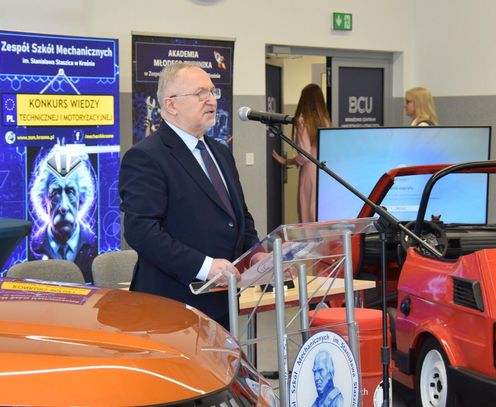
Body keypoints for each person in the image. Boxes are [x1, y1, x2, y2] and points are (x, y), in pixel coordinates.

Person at [119, 62, 259, 329]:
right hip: (172, 305)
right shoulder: (146, 156)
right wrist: (205, 267)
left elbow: (238, 215)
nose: (212, 100)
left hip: (223, 301)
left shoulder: (220, 152)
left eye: (213, 92)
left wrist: (255, 254)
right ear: (171, 105)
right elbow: (141, 230)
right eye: (200, 93)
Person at [29, 148, 97, 282]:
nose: (64, 207)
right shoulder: (31, 249)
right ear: (44, 200)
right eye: (55, 193)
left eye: (70, 192)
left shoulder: (96, 245)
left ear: (81, 198)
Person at [272, 83, 331, 223]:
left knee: (307, 215)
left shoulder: (302, 121)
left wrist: (287, 161)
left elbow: (304, 156)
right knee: (320, 214)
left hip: (310, 173)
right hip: (324, 172)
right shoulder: (325, 121)